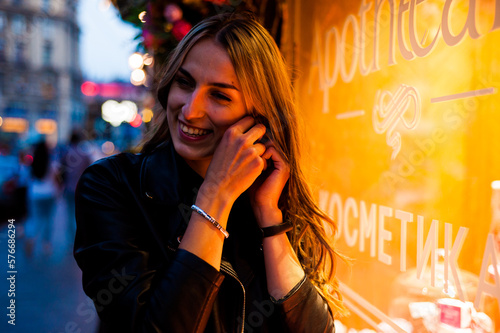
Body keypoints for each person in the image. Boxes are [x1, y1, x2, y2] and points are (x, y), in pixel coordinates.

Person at [74, 12, 346, 332]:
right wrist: (216, 193)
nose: (190, 110)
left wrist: (270, 217)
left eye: (219, 95)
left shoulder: (270, 199)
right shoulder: (112, 185)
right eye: (185, 82)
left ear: (258, 116)